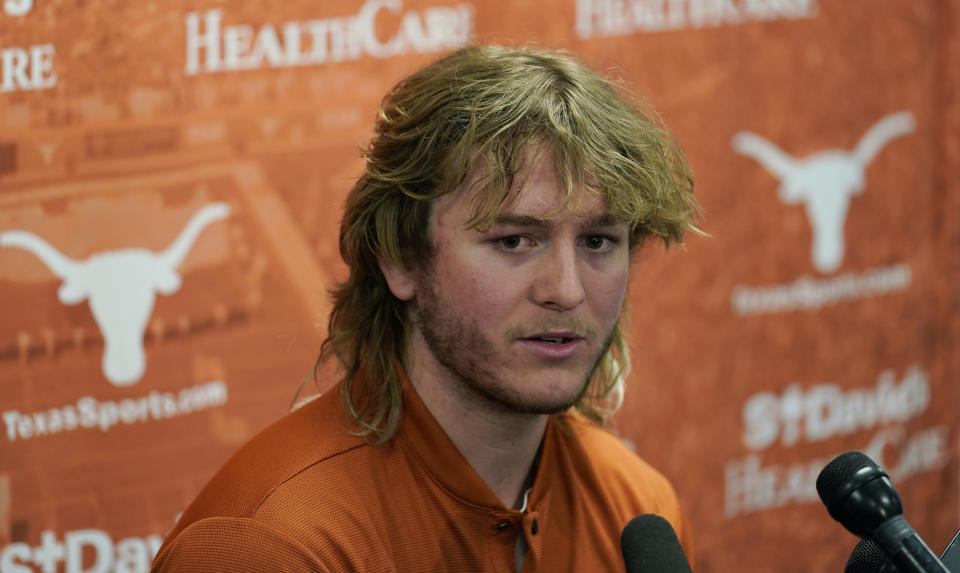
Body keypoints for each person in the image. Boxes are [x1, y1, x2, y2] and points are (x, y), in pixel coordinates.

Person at [151, 44, 700, 572]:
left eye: (598, 242)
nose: (566, 289)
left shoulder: (637, 506)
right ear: (401, 259)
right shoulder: (273, 546)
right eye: (514, 241)